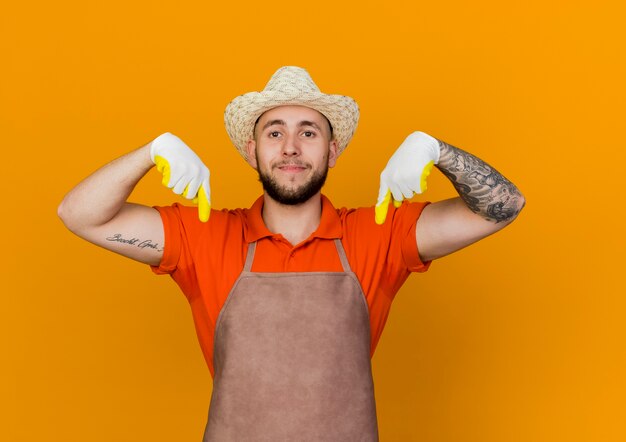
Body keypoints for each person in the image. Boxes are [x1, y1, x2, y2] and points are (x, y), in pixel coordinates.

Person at [58, 66, 525, 441]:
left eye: (309, 133)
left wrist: (435, 150)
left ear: (332, 150)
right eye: (275, 133)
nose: (291, 148)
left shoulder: (380, 235)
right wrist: (151, 151)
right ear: (253, 150)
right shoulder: (203, 236)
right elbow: (80, 215)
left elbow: (502, 207)